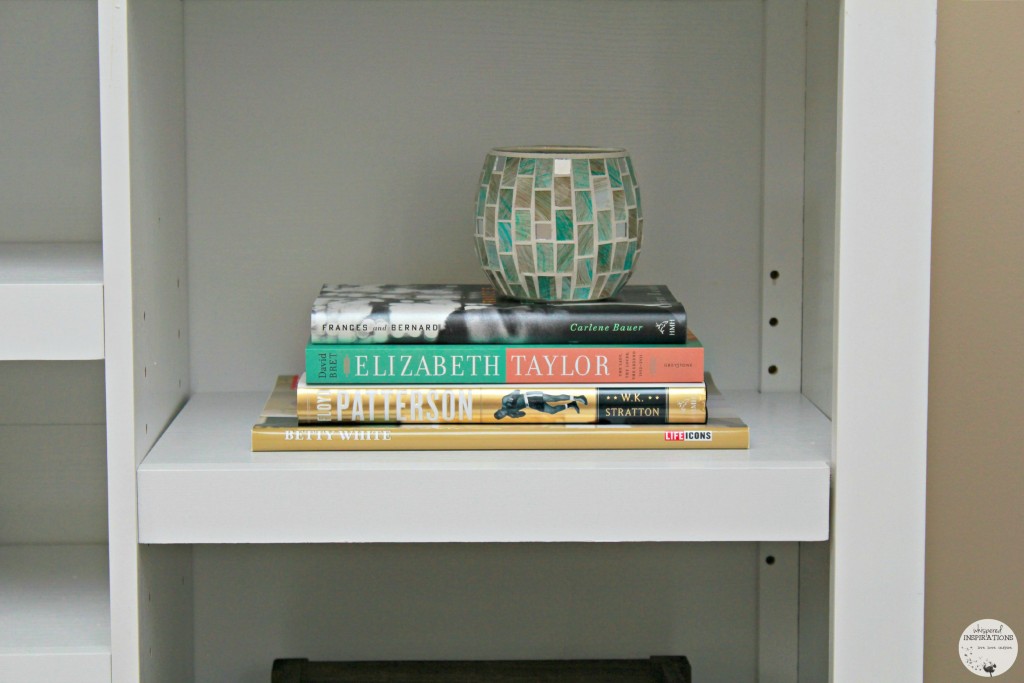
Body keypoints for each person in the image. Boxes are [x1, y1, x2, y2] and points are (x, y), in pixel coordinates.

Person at [493, 389, 588, 419]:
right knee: (552, 411)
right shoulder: (510, 414)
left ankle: (578, 397)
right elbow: (523, 414)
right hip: (531, 405)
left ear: (499, 410)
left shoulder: (504, 400)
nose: (503, 414)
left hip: (529, 397)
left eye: (501, 413)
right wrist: (516, 415)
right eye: (502, 416)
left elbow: (517, 391)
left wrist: (512, 398)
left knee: (553, 398)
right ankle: (572, 404)